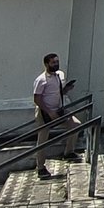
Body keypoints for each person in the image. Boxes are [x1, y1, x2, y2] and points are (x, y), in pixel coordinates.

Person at [33, 52, 81, 181]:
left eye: (57, 62)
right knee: (43, 139)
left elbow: (59, 92)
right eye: (53, 62)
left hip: (59, 110)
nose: (56, 64)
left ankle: (68, 152)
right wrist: (48, 111)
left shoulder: (59, 75)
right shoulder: (41, 79)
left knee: (75, 125)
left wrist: (66, 90)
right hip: (44, 112)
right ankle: (41, 167)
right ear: (47, 64)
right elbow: (37, 99)